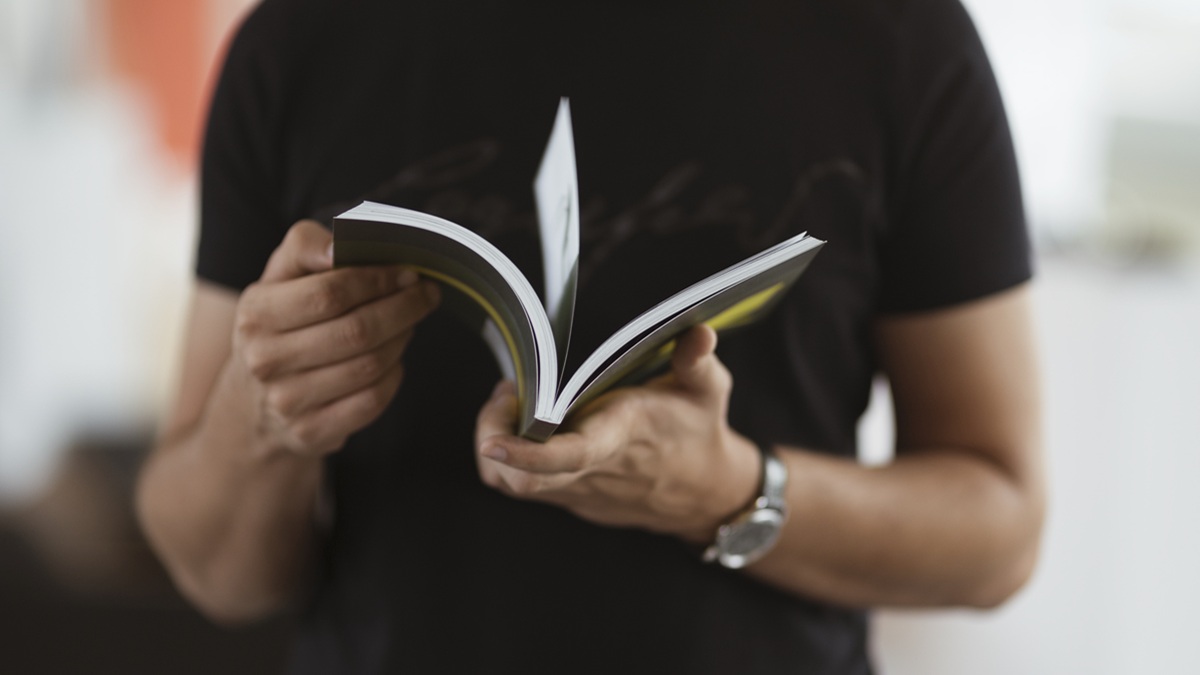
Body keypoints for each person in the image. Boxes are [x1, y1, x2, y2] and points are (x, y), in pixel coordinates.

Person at [136, 0, 1046, 673]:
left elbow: (999, 532)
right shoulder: (299, 42)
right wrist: (260, 419)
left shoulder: (898, 40)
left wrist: (728, 491)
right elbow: (218, 574)